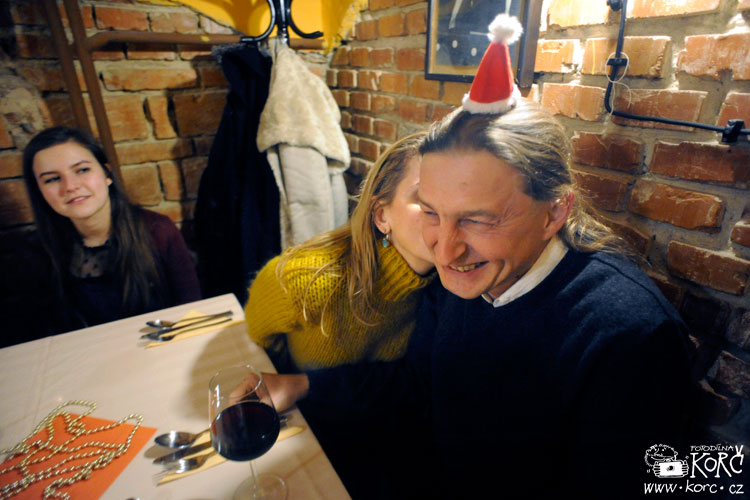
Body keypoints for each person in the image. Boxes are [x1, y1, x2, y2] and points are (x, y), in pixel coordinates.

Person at [261, 16, 694, 499]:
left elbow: (648, 483)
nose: (445, 250)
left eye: (478, 219)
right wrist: (302, 386)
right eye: (431, 212)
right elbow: (419, 382)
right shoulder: (464, 275)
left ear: (555, 212)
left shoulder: (631, 335)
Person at [244, 132, 435, 499]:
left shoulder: (454, 285)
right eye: (425, 200)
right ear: (382, 216)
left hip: (386, 448)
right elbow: (257, 338)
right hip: (309, 437)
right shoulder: (307, 279)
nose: (443, 216)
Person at [22, 126, 201, 333]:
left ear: (107, 174)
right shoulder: (37, 251)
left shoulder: (158, 231)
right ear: (39, 192)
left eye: (82, 170)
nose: (70, 186)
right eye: (52, 179)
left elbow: (190, 311)